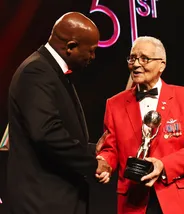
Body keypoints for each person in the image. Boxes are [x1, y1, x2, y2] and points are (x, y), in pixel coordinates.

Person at [7, 12, 111, 214]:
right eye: (90, 51)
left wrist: (91, 149)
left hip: (53, 199)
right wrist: (92, 164)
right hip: (42, 202)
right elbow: (47, 134)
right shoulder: (36, 71)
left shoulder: (49, 70)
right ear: (71, 47)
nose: (93, 57)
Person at [97, 36, 184, 214]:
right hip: (134, 202)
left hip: (178, 200)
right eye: (132, 58)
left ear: (162, 65)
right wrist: (105, 163)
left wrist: (163, 165)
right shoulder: (114, 104)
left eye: (144, 59)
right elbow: (111, 149)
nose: (136, 64)